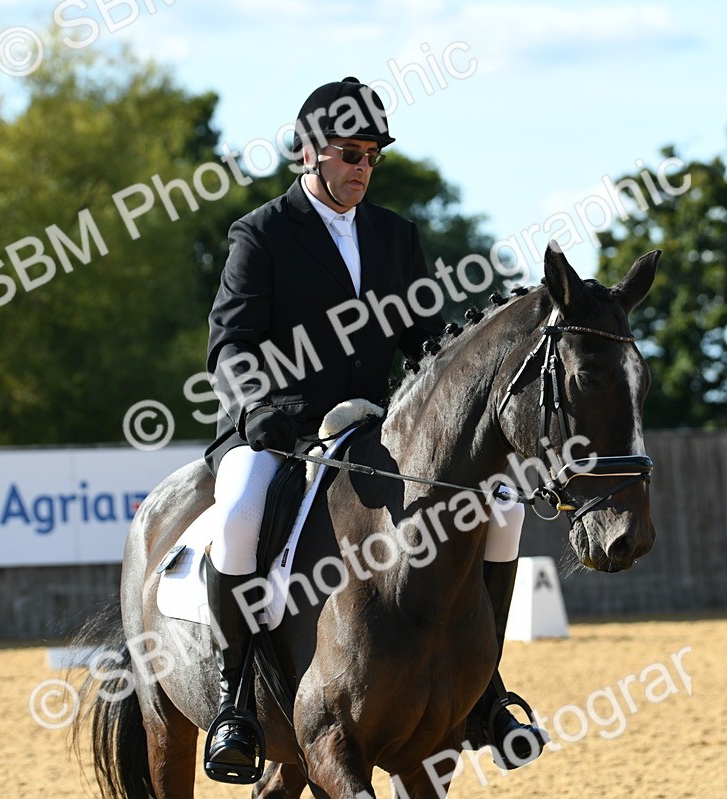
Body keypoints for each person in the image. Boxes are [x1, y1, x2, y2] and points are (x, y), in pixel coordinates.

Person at [199, 77, 545, 782]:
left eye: (372, 156)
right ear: (309, 152)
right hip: (282, 430)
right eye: (350, 153)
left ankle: (486, 691)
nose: (362, 167)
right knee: (237, 514)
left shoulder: (395, 235)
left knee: (503, 506)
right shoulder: (261, 233)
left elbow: (425, 345)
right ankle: (235, 697)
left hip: (375, 434)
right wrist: (258, 408)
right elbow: (230, 344)